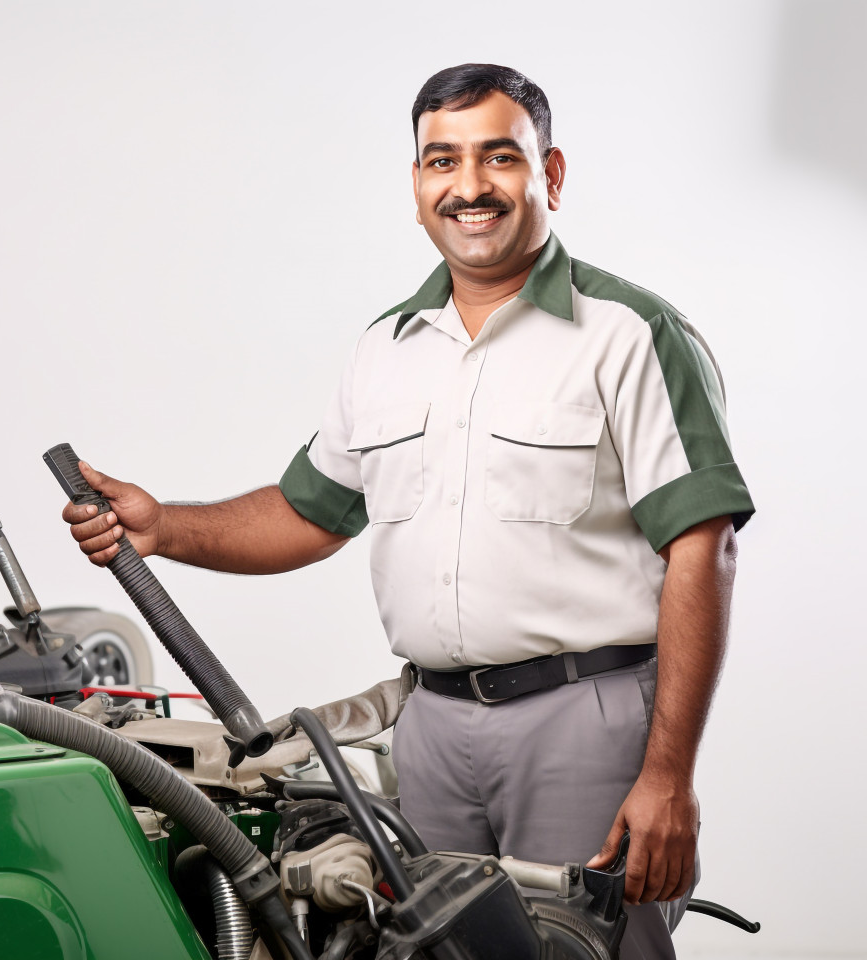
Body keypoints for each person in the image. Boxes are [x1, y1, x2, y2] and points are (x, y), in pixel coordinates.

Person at [63, 64, 754, 958]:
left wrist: (669, 776)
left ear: (549, 175)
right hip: (429, 731)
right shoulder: (386, 349)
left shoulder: (629, 334)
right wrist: (165, 530)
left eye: (499, 157)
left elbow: (704, 551)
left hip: (585, 723)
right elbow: (311, 513)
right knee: (421, 946)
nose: (468, 187)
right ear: (418, 186)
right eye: (441, 162)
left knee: (584, 946)